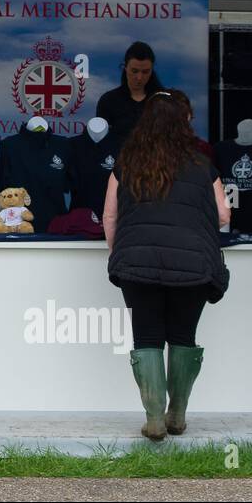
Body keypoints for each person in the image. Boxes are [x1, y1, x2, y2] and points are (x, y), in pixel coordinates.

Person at [103, 89, 229, 441]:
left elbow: (110, 216)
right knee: (182, 336)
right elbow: (222, 214)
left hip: (137, 264)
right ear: (183, 122)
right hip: (192, 265)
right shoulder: (203, 165)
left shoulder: (126, 164)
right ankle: (178, 414)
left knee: (147, 337)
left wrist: (121, 253)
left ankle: (154, 418)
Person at [96, 41, 163, 138]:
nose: (139, 77)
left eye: (145, 72)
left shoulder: (163, 102)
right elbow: (101, 141)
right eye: (134, 71)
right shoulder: (108, 101)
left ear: (152, 70)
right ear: (125, 67)